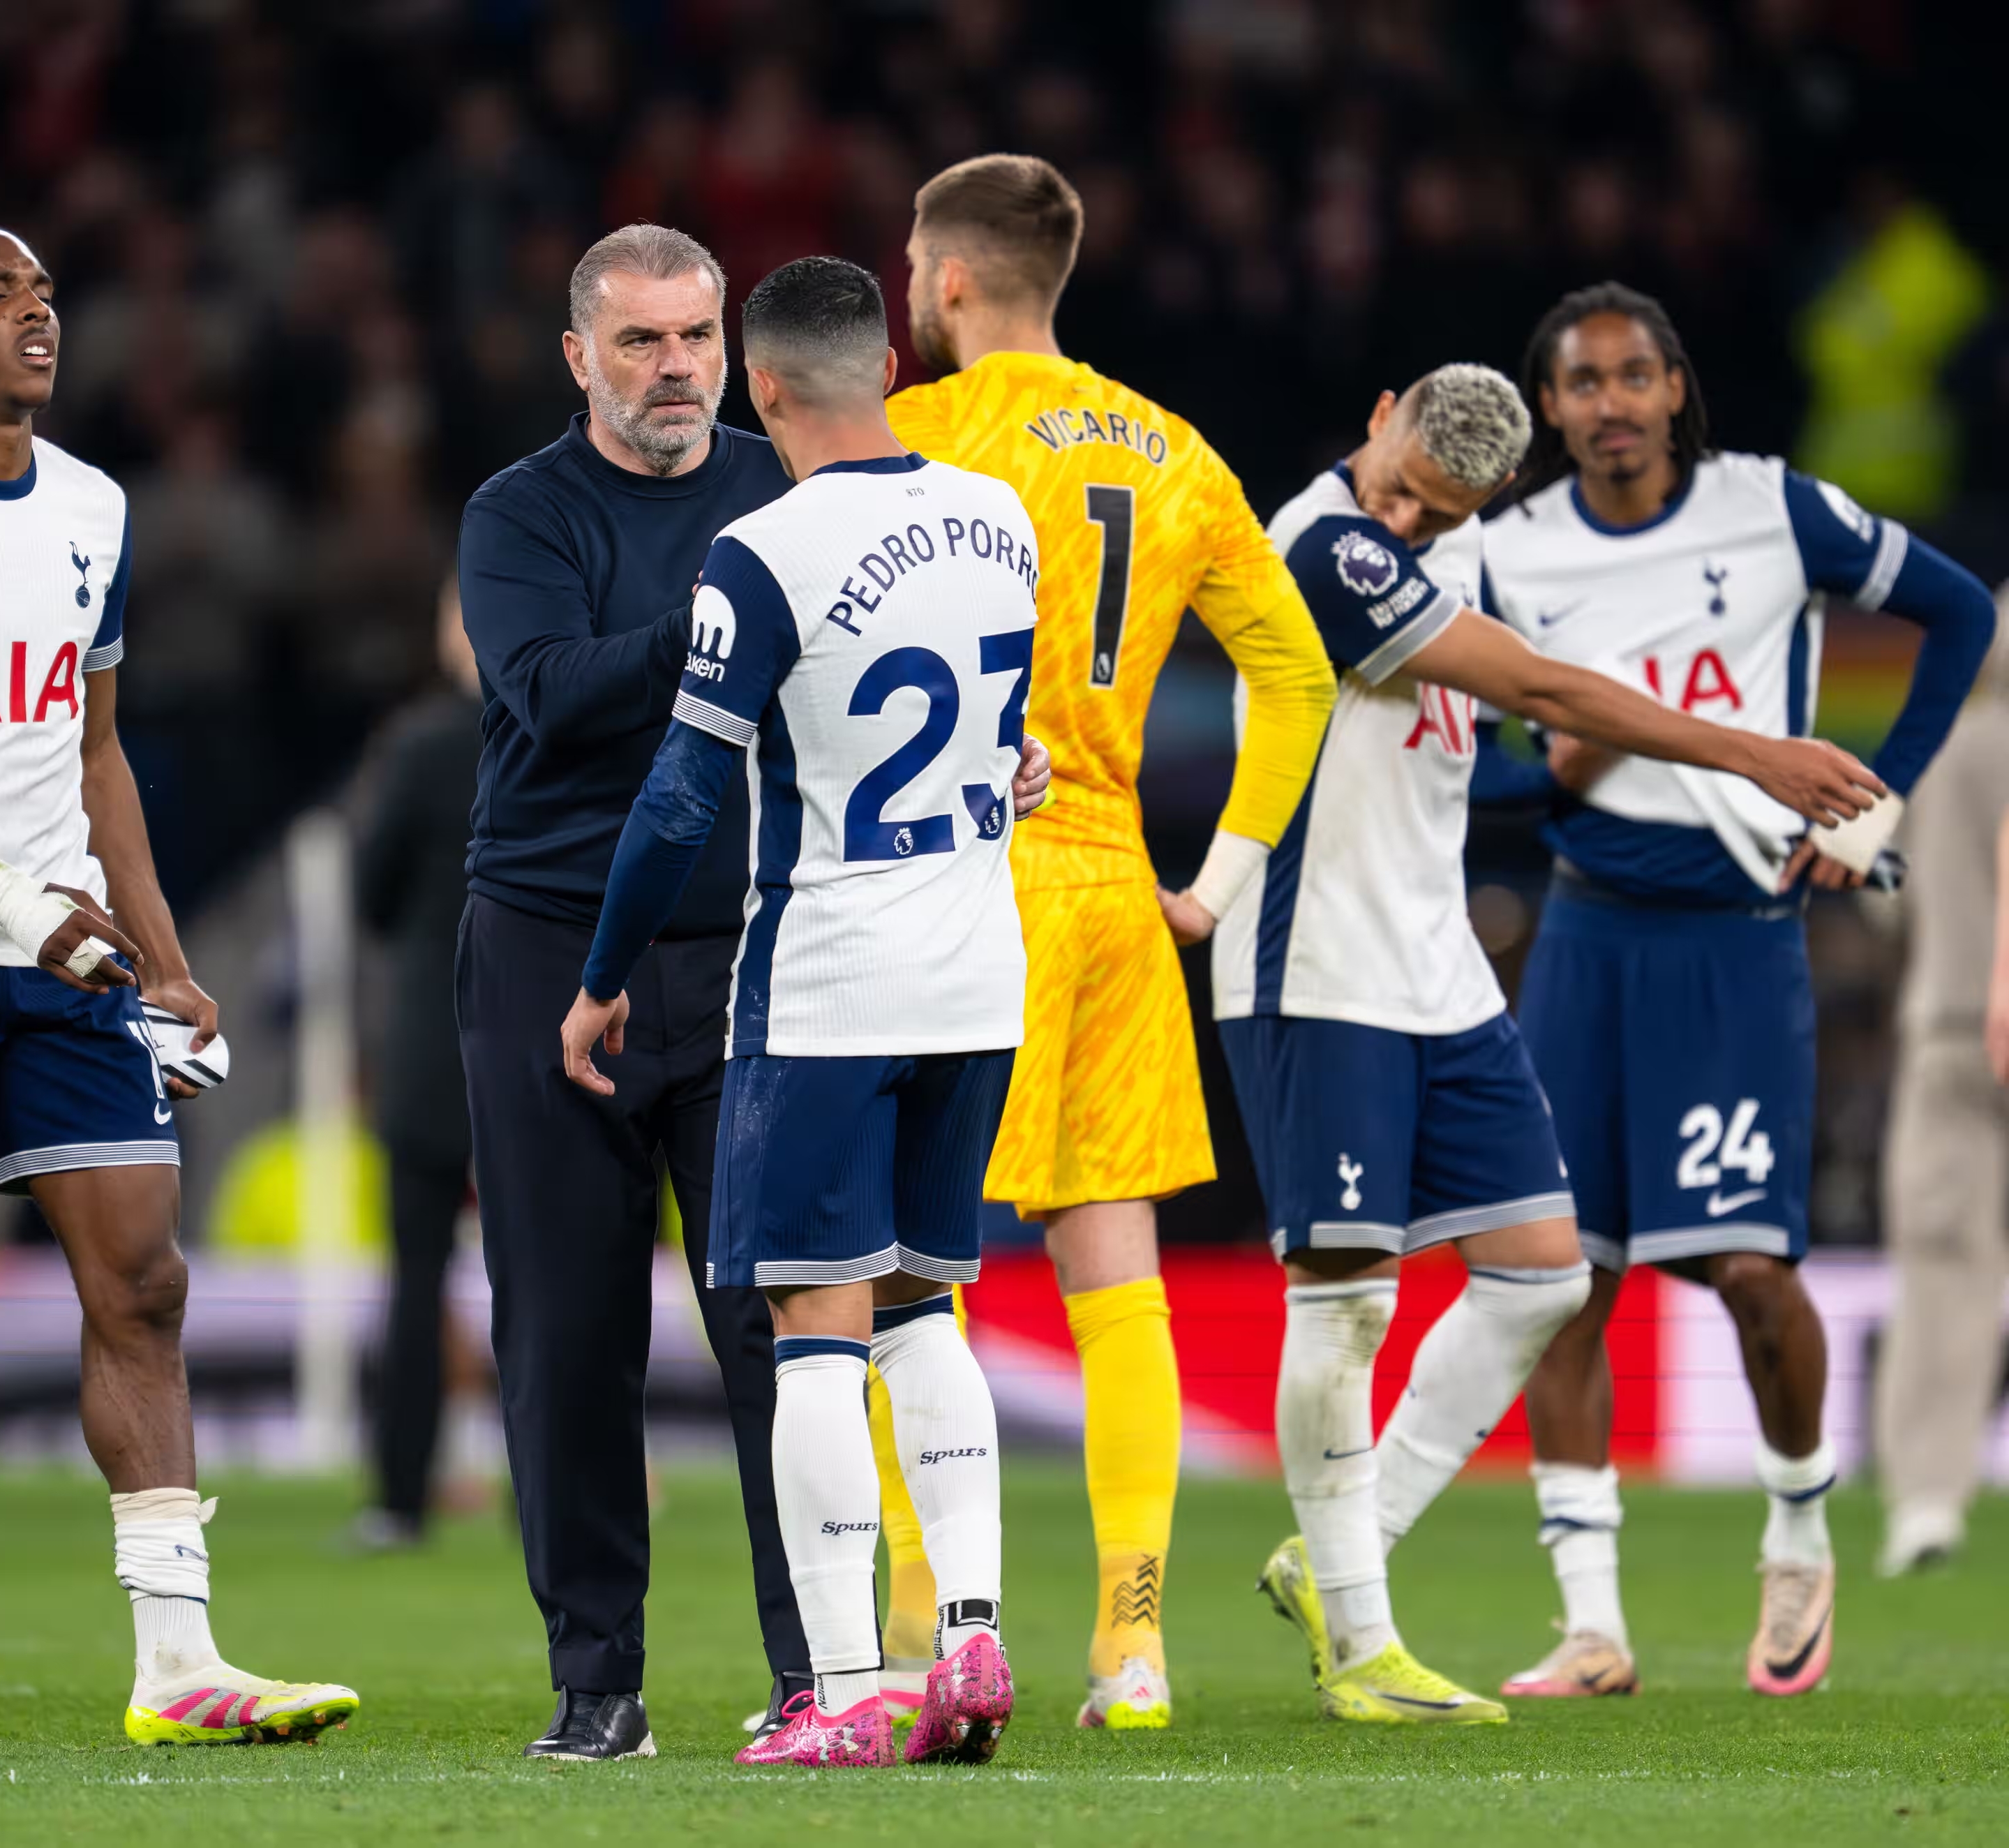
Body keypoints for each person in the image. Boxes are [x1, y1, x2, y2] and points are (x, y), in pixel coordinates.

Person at [1188, 364, 1885, 1725]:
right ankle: (1361, 1637)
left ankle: (1342, 1548)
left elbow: (1482, 756)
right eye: (1394, 482)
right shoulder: (1320, 543)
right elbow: (1530, 680)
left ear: (1484, 499)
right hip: (1313, 963)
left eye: (1433, 510)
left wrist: (1595, 772)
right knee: (1346, 1304)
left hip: (1435, 970)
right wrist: (1748, 751)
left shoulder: (1451, 560)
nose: (1398, 516)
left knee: (1538, 1275)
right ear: (1375, 409)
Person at [455, 218, 1052, 1759]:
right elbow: (545, 695)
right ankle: (600, 1682)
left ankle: (823, 1673)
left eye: (695, 339)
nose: (672, 369)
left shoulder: (779, 500)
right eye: (639, 341)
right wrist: (745, 637)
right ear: (578, 354)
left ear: (744, 355)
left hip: (760, 955)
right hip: (548, 938)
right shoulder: (523, 514)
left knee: (785, 1326)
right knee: (566, 1333)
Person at [0, 221, 356, 1748]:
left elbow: (93, 751)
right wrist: (4, 897)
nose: (36, 318)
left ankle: (178, 1658)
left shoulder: (96, 506)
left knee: (144, 1284)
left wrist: (158, 955)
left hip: (66, 958)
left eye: (45, 296)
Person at [870, 151, 1338, 1729]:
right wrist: (1220, 880)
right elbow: (1299, 677)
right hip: (1121, 891)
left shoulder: (920, 435)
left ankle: (919, 1623)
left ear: (943, 280)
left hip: (956, 880)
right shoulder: (1172, 446)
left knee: (899, 1270)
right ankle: (1131, 1644)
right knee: (1113, 1279)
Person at [1479, 283, 1996, 1698]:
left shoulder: (1776, 512)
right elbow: (1462, 767)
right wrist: (1549, 778)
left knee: (1753, 1275)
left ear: (1676, 389)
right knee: (1555, 1284)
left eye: (1634, 376)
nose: (1609, 405)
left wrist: (1876, 795)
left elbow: (1954, 612)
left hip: (1736, 934)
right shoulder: (1503, 555)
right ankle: (1591, 1620)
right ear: (1550, 409)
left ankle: (1796, 1529)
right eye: (1580, 384)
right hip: (1586, 933)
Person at [1875, 601, 2009, 1576]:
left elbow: (1885, 907)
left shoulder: (1942, 752)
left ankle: (1927, 1502)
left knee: (1941, 1270)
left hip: (1952, 1030)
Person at [350, 576, 481, 1549]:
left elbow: (373, 893)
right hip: (551, 1046)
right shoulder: (573, 740)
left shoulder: (424, 746)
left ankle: (401, 1500)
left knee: (415, 1281)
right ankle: (569, 1498)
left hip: (434, 1051)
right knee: (556, 1286)